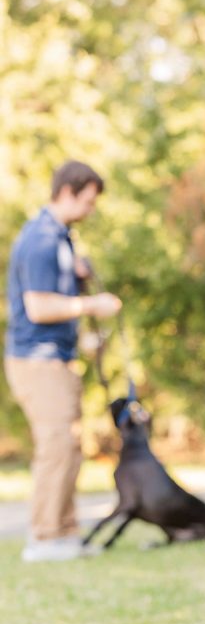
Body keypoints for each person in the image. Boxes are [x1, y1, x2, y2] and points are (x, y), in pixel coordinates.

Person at [4, 160, 122, 562]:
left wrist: (77, 275)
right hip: (38, 360)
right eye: (88, 202)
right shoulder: (41, 239)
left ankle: (65, 532)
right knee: (56, 446)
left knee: (70, 446)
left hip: (57, 357)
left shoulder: (60, 238)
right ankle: (45, 538)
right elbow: (37, 307)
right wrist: (93, 304)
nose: (91, 211)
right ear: (68, 193)